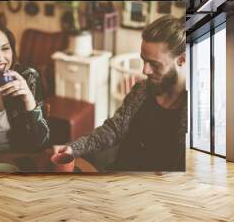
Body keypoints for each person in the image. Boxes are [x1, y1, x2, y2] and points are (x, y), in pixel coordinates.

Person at [52, 15, 187, 171]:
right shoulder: (141, 91)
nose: (145, 70)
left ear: (182, 59)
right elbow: (113, 129)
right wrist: (73, 148)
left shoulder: (193, 113)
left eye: (155, 64)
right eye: (144, 60)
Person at [0, 18, 49, 171]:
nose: (0, 58)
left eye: (5, 48)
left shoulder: (28, 77)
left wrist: (28, 99)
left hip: (20, 161)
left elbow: (41, 143)